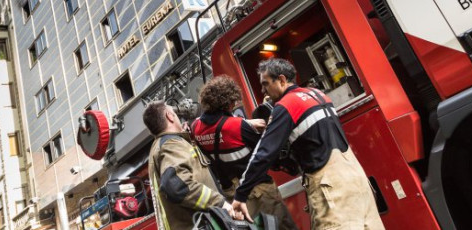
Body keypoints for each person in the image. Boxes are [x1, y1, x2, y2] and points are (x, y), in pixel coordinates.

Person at [232, 58, 384, 230]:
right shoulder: (318, 94)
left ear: (282, 80)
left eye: (265, 84)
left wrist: (241, 194)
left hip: (331, 188)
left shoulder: (286, 105)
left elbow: (264, 153)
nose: (263, 90)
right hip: (356, 177)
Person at [191, 75, 299, 230]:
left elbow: (216, 128)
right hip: (258, 191)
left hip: (231, 195)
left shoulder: (196, 128)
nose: (234, 105)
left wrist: (246, 123)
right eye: (233, 103)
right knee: (283, 226)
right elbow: (268, 152)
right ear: (227, 103)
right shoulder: (237, 126)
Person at [143, 101, 230, 230]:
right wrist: (220, 203)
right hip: (199, 225)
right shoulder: (171, 145)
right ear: (169, 116)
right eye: (175, 114)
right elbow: (177, 186)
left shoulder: (162, 146)